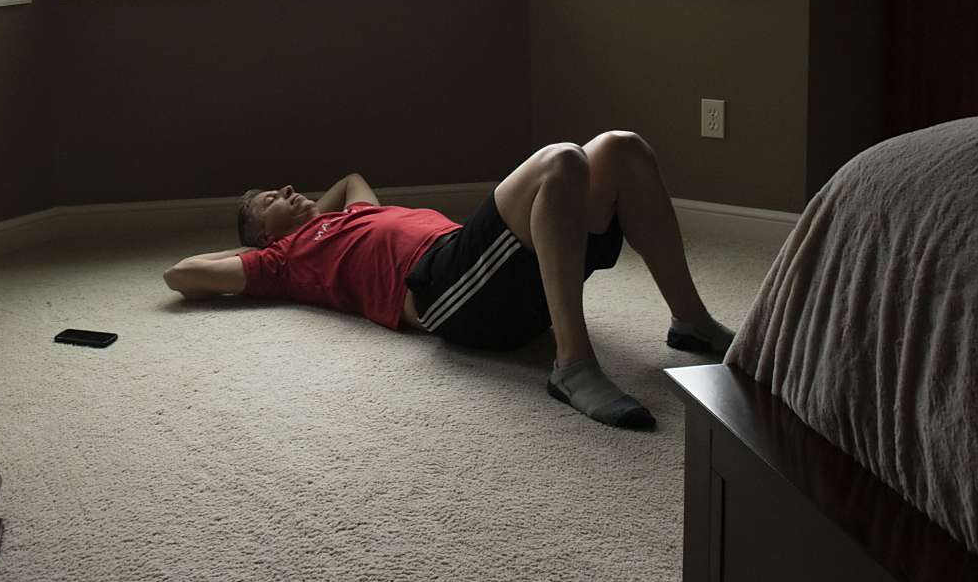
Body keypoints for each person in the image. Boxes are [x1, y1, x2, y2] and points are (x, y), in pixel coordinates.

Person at [162, 132, 736, 430]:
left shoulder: (351, 216)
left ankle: (690, 322)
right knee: (562, 160)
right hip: (449, 290)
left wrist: (314, 210)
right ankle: (572, 366)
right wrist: (262, 243)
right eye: (271, 200)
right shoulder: (282, 262)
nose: (287, 191)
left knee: (621, 148)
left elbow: (351, 178)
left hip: (493, 263)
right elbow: (181, 275)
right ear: (261, 237)